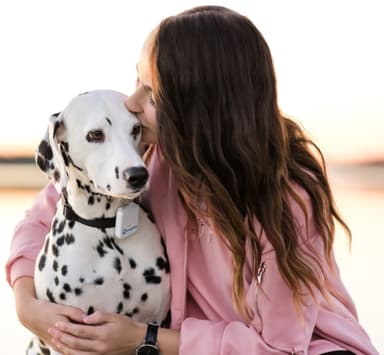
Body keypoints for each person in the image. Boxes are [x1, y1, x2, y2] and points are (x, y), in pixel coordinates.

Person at [5, 5, 379, 355]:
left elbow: (279, 348)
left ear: (198, 110)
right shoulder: (144, 159)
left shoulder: (287, 199)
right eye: (137, 78)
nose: (131, 102)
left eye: (151, 94)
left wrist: (144, 338)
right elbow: (41, 218)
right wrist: (27, 306)